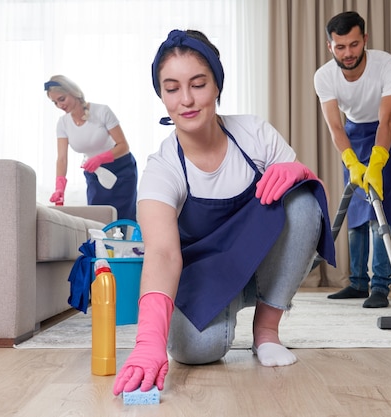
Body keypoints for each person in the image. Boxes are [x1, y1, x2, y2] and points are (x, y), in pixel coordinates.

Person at [112, 29, 335, 397]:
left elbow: (316, 210)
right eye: (172, 88)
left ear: (217, 85)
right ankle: (225, 313)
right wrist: (149, 341)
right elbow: (163, 253)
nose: (186, 99)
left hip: (260, 261)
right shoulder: (163, 168)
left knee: (302, 200)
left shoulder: (253, 134)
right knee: (197, 349)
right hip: (204, 274)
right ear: (162, 95)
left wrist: (305, 173)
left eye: (198, 84)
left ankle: (266, 331)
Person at [313, 11, 391, 308]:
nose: (348, 53)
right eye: (340, 47)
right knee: (355, 206)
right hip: (352, 133)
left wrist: (378, 160)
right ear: (330, 46)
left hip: (386, 130)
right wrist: (352, 161)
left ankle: (380, 285)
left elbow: (388, 120)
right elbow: (335, 126)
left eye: (354, 45)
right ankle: (357, 283)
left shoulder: (388, 66)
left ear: (364, 39)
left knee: (380, 203)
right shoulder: (324, 76)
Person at [44, 75, 137, 221]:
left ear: (73, 92)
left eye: (62, 99)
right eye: (55, 102)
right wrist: (59, 187)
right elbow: (61, 159)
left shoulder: (102, 111)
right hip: (95, 174)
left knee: (123, 219)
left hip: (121, 171)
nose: (60, 105)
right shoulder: (63, 123)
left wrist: (100, 158)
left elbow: (123, 146)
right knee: (98, 220)